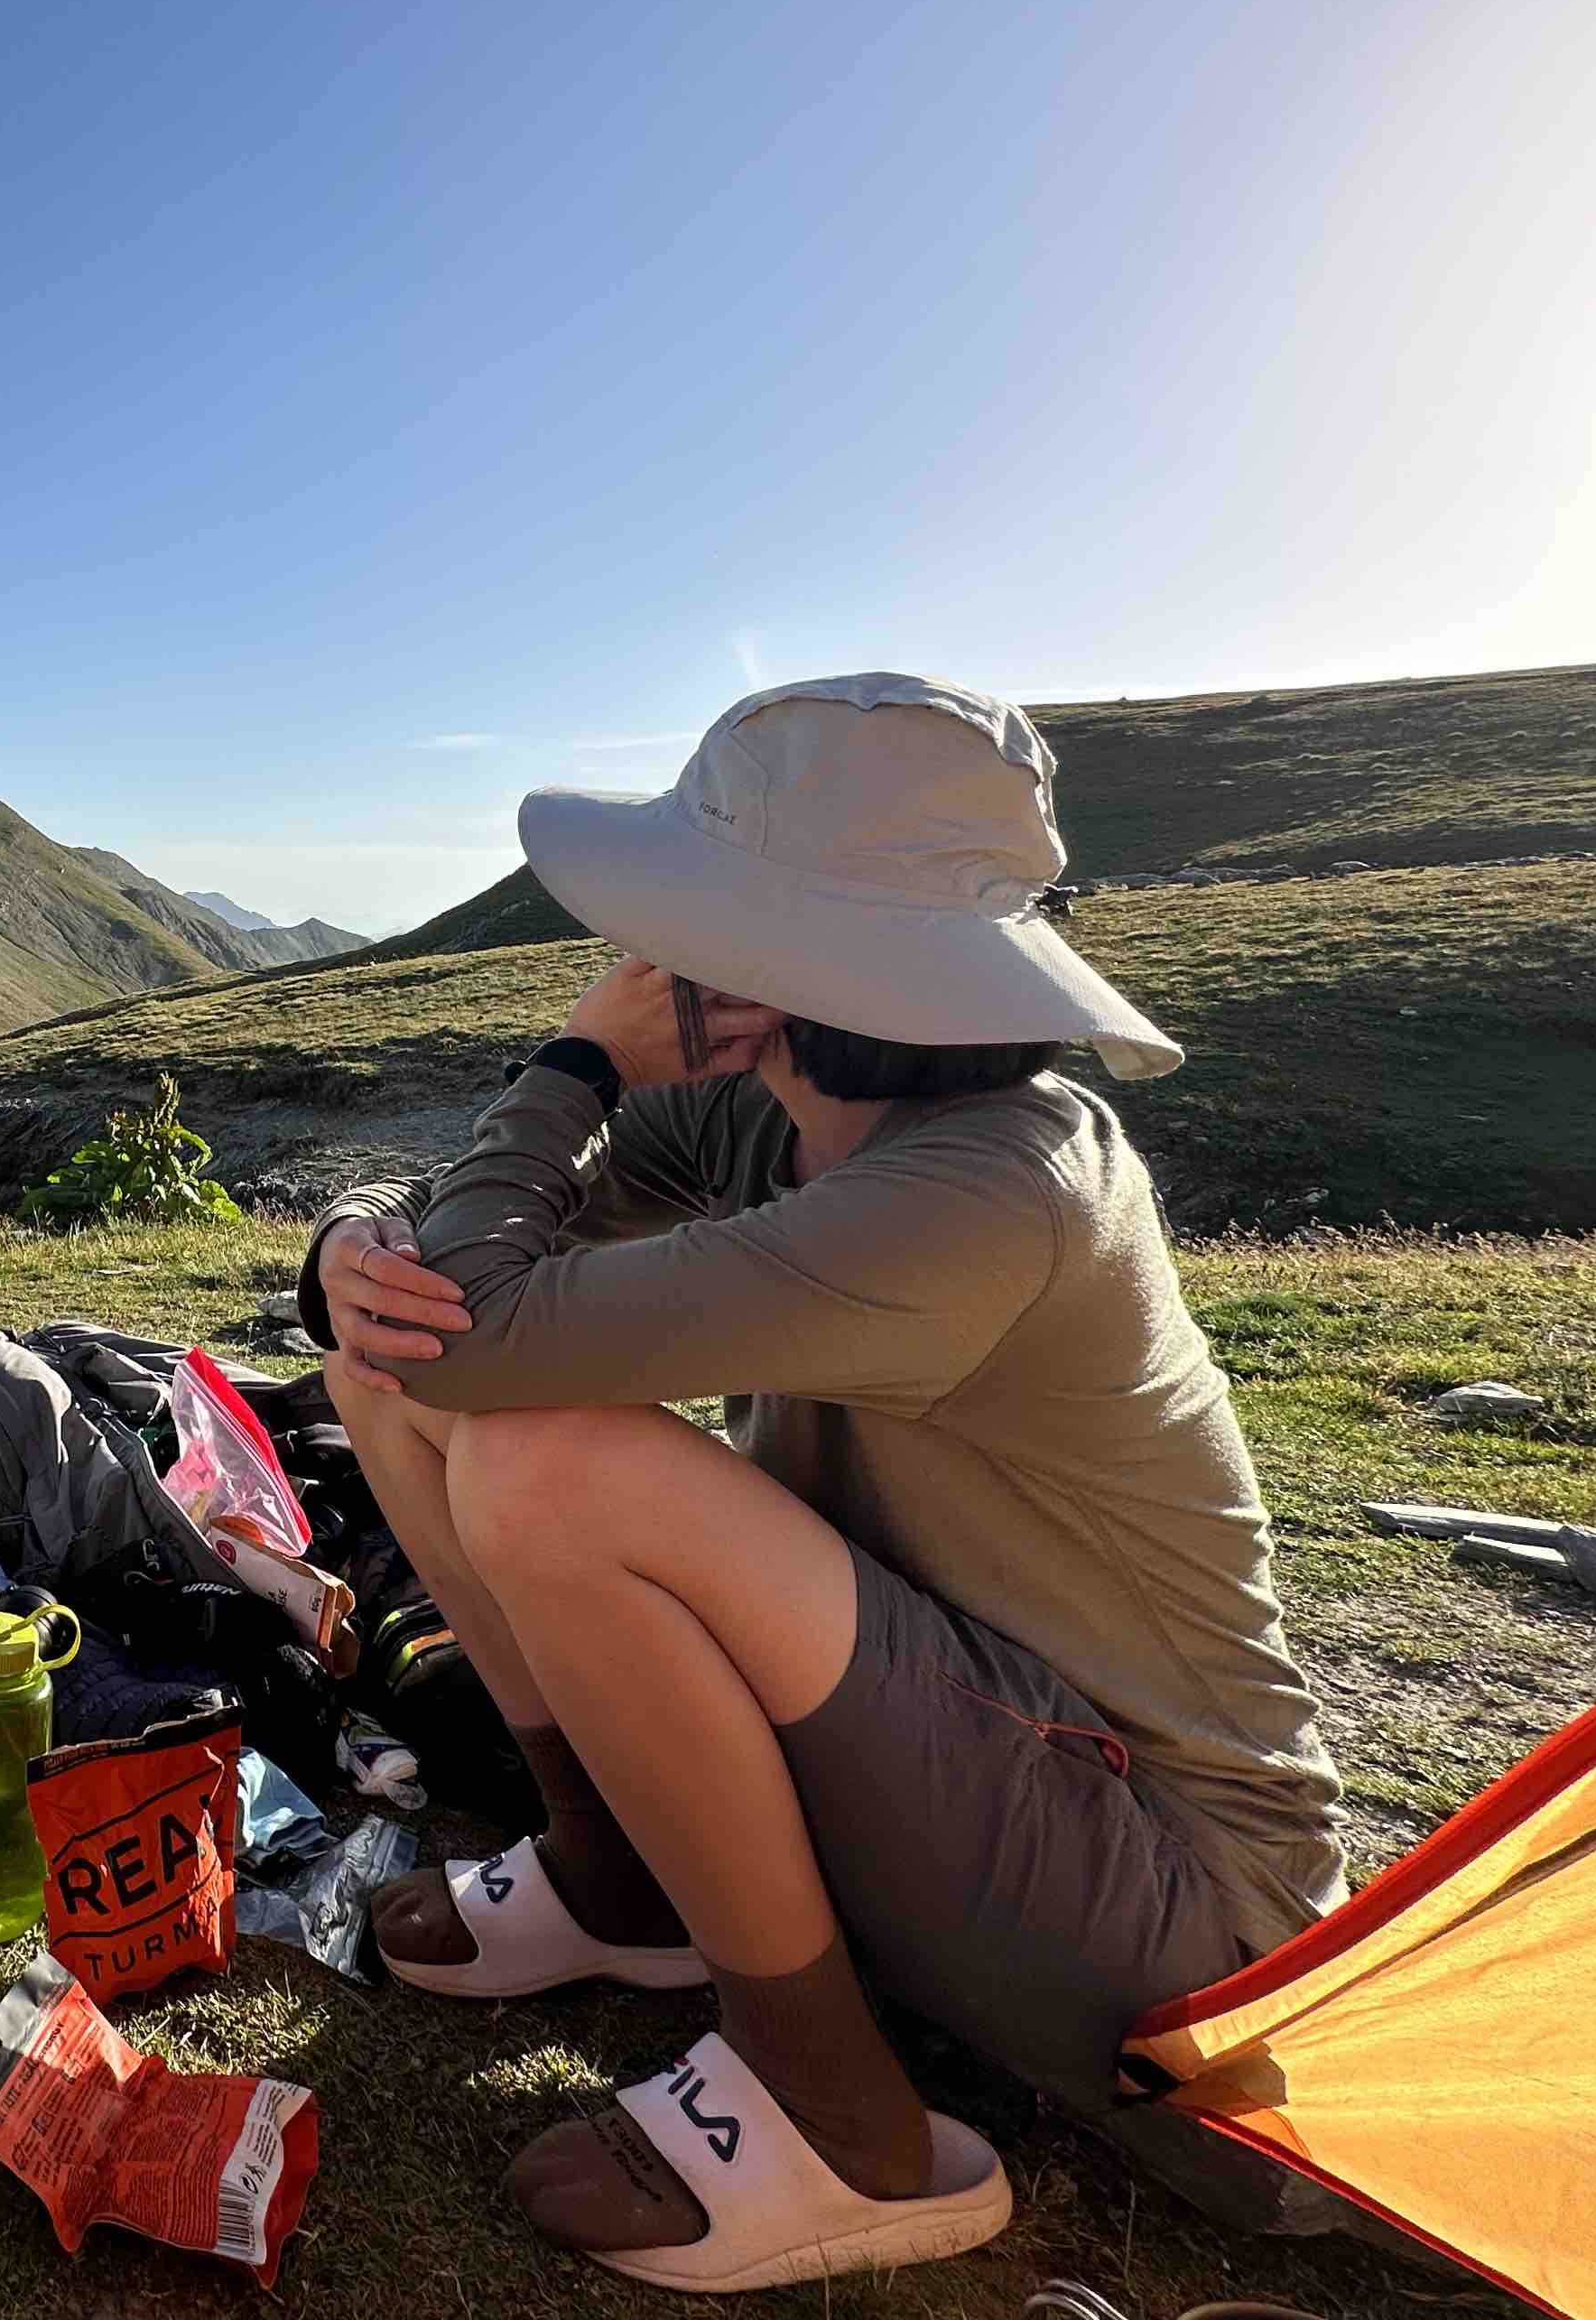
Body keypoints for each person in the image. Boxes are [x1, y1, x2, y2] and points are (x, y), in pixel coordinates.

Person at [300, 674, 1344, 2291]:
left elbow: (487, 1337)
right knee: (392, 1375)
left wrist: (577, 1058)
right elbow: (445, 1299)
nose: (654, 961)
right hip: (970, 1747)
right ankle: (619, 1874)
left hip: (1181, 1926)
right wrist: (352, 1248)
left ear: (784, 962)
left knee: (550, 1463)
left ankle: (850, 2124)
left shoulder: (994, 1187)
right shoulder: (781, 1112)